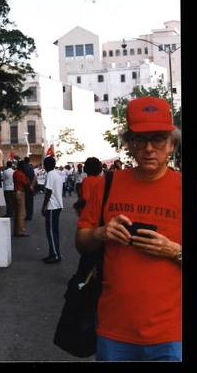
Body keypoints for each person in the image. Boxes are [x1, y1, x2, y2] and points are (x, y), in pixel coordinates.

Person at [75, 96, 181, 361]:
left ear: (171, 144)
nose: (149, 149)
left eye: (158, 139)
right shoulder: (107, 184)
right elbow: (81, 241)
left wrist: (173, 251)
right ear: (129, 145)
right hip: (114, 332)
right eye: (139, 140)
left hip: (172, 335)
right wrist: (100, 233)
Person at [41, 154, 64, 263]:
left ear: (46, 165)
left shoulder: (50, 174)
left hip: (52, 206)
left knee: (50, 231)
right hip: (57, 205)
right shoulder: (57, 175)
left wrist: (44, 206)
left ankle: (55, 255)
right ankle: (53, 253)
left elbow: (48, 191)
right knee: (54, 231)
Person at [12, 160, 30, 237]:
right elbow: (25, 184)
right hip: (20, 193)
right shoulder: (22, 174)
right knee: (21, 213)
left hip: (15, 192)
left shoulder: (15, 173)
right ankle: (21, 231)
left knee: (16, 213)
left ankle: (16, 230)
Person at [21, 156, 37, 220]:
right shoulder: (31, 168)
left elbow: (26, 177)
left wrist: (30, 185)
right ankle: (30, 214)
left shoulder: (24, 167)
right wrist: (32, 185)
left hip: (26, 186)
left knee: (27, 201)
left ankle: (28, 215)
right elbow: (34, 177)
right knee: (31, 201)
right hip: (31, 186)